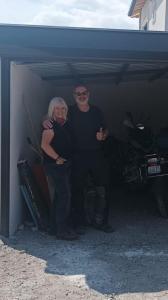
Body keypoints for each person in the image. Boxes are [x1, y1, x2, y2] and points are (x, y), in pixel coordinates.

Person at [44, 86, 114, 233]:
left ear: (89, 94)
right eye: (78, 94)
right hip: (77, 156)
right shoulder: (69, 111)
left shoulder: (96, 111)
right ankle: (79, 223)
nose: (81, 96)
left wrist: (104, 135)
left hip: (97, 154)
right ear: (74, 96)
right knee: (77, 190)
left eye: (84, 93)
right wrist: (44, 121)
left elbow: (106, 129)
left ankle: (100, 221)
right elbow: (53, 119)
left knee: (102, 188)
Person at [41, 97, 78, 240]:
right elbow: (44, 145)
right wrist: (57, 158)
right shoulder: (50, 125)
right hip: (55, 165)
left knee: (59, 196)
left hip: (64, 165)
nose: (60, 111)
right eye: (57, 108)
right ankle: (62, 231)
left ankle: (53, 228)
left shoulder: (65, 123)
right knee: (65, 196)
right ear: (52, 109)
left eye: (63, 108)